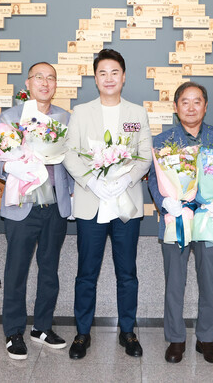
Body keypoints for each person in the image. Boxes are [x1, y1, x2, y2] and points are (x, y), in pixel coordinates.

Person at [63, 49, 152, 360]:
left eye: (115, 72)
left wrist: (126, 180)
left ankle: (127, 331)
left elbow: (144, 155)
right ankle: (82, 333)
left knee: (127, 272)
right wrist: (92, 182)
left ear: (123, 77)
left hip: (126, 204)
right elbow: (70, 153)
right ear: (95, 78)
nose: (109, 78)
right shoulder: (81, 112)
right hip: (92, 202)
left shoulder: (137, 113)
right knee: (86, 272)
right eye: (103, 73)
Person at [0, 62, 74, 360]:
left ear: (55, 85)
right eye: (39, 77)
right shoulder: (11, 117)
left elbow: (71, 159)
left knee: (49, 270)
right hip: (23, 205)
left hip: (54, 205)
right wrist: (7, 168)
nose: (45, 83)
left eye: (51, 78)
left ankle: (42, 327)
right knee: (17, 270)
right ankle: (13, 331)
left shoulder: (65, 118)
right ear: (28, 83)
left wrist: (73, 191)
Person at [147, 82, 213, 364]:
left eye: (197, 101)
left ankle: (206, 339)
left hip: (210, 218)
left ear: (205, 106)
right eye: (185, 102)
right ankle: (176, 339)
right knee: (175, 282)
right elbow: (153, 178)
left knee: (209, 282)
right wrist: (165, 202)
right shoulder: (163, 140)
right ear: (176, 107)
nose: (191, 107)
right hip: (176, 219)